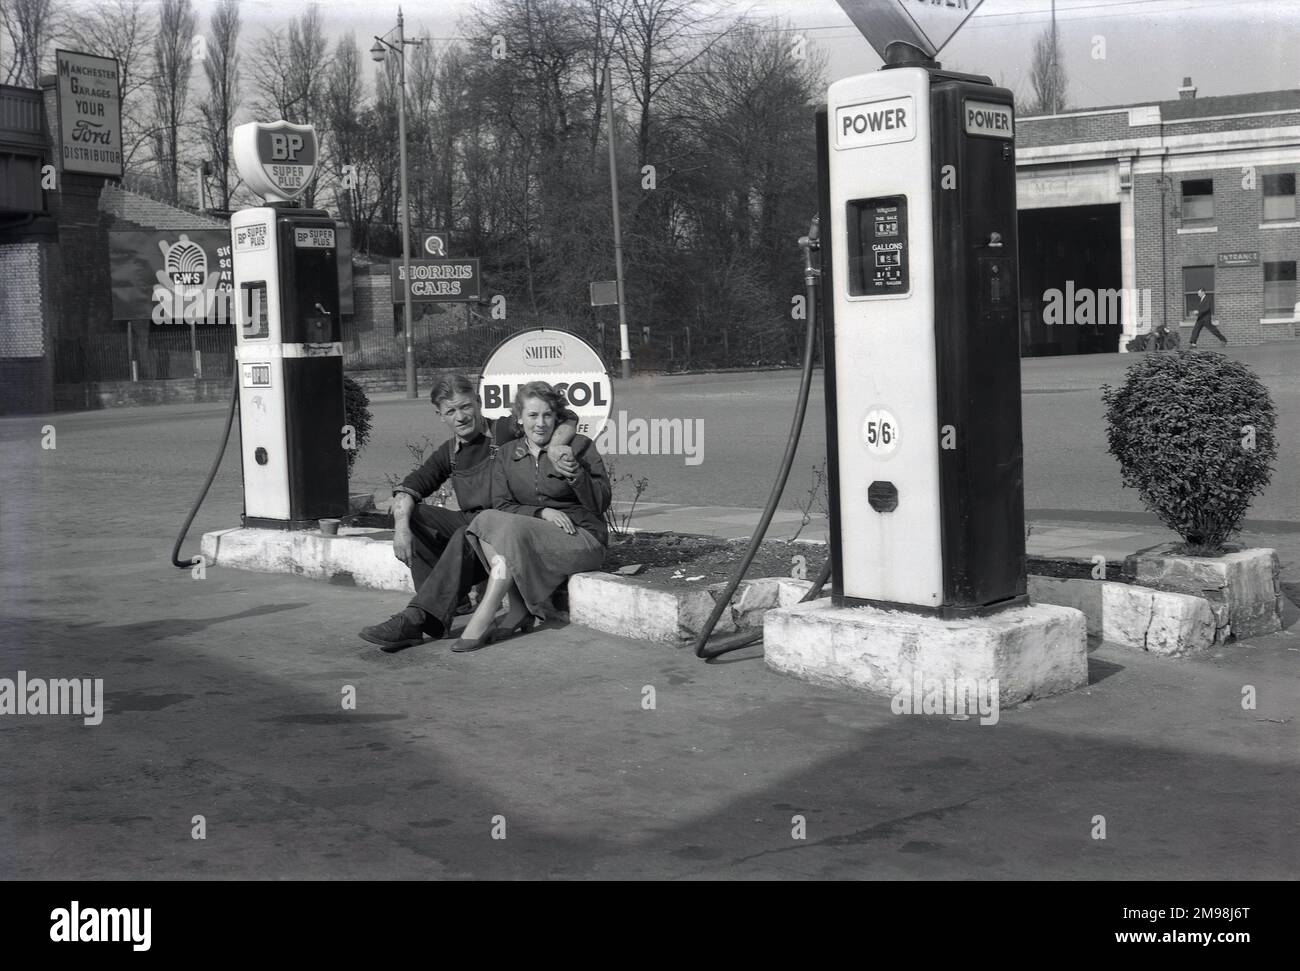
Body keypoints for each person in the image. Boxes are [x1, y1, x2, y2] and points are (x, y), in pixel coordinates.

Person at [358, 373, 579, 652]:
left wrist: (558, 445)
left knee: (468, 531)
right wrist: (401, 528)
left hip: (509, 524)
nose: (460, 417)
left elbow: (566, 416)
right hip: (474, 527)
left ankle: (417, 618)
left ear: (478, 402)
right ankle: (447, 602)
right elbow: (408, 488)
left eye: (465, 407)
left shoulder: (504, 430)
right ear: (440, 415)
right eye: (450, 411)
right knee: (411, 514)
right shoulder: (450, 451)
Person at [450, 381, 611, 653]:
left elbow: (600, 503)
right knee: (486, 519)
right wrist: (542, 512)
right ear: (520, 418)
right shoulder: (507, 453)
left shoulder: (579, 446)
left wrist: (575, 475)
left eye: (547, 415)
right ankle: (511, 597)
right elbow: (501, 504)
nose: (540, 423)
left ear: (557, 417)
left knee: (505, 528)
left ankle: (491, 612)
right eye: (533, 415)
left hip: (582, 538)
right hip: (531, 536)